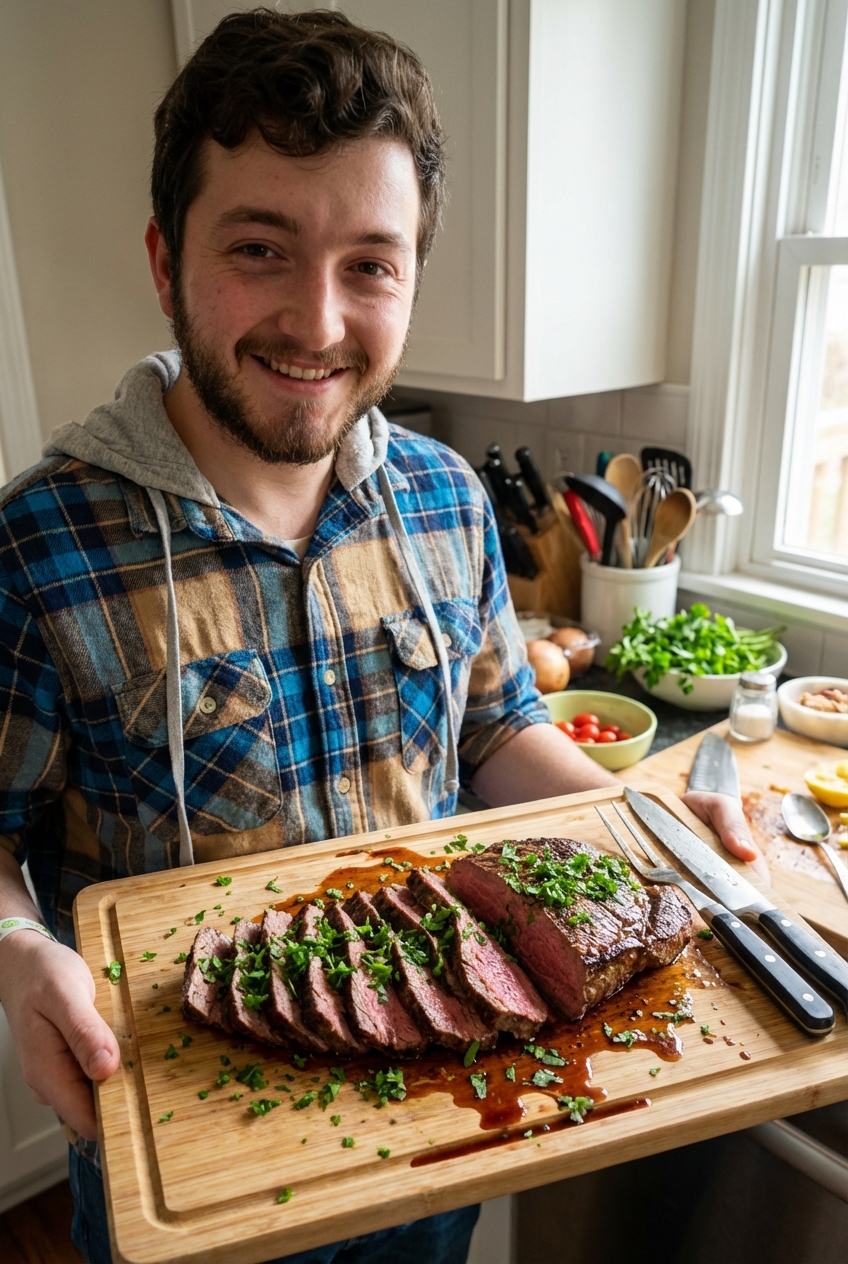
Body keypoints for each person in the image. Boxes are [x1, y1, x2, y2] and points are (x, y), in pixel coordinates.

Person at [0, 10, 766, 1264]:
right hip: (194, 1162)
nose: (316, 321)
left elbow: (494, 730)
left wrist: (643, 825)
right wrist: (16, 952)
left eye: (371, 263)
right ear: (163, 257)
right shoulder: (39, 546)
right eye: (259, 246)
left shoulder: (443, 498)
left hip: (437, 1119)